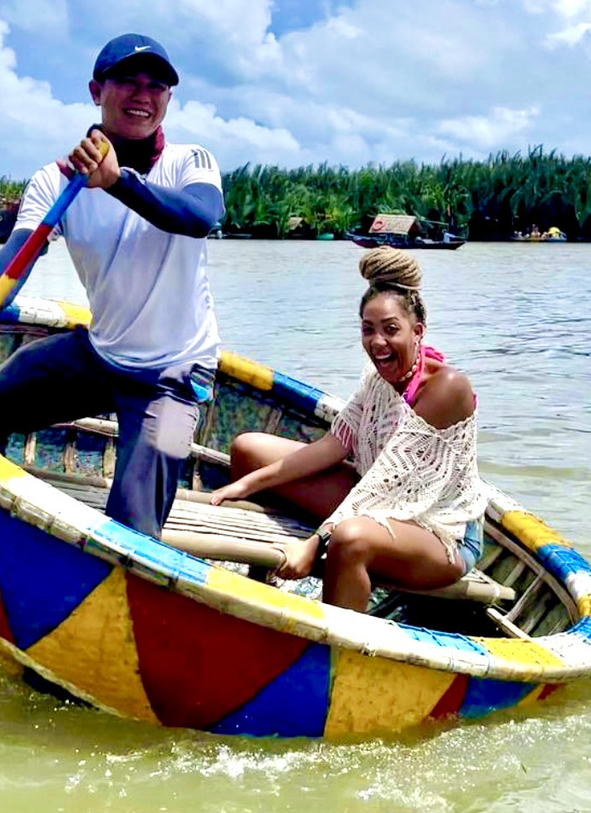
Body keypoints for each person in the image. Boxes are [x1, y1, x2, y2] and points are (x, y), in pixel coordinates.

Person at [0, 33, 224, 538]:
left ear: (168, 99)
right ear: (97, 90)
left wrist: (119, 181)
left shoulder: (191, 162)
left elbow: (201, 217)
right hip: (101, 356)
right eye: (127, 82)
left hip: (175, 375)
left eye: (156, 86)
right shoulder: (56, 182)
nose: (143, 95)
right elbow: (17, 256)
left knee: (133, 527)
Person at [210, 249, 490, 612]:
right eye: (368, 329)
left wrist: (315, 542)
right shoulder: (377, 378)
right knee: (249, 450)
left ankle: (334, 650)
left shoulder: (446, 388)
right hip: (378, 499)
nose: (377, 342)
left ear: (417, 331)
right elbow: (335, 444)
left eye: (391, 329)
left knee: (350, 537)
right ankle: (264, 581)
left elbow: (387, 486)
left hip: (441, 531)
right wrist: (247, 483)